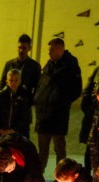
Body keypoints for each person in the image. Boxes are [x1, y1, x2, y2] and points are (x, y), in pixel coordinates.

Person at [33, 38, 82, 171]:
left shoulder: (70, 65)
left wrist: (61, 102)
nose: (49, 52)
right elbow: (42, 85)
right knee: (43, 150)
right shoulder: (50, 64)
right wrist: (38, 99)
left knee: (59, 148)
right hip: (44, 114)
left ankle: (62, 177)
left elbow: (76, 89)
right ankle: (38, 178)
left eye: (51, 49)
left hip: (57, 114)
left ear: (60, 49)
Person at [0, 33, 42, 99]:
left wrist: (30, 101)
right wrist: (1, 98)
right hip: (8, 102)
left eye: (24, 48)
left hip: (24, 103)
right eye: (19, 47)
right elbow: (2, 83)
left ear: (29, 48)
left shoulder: (35, 66)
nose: (21, 50)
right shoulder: (8, 64)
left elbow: (37, 87)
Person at [0, 69, 32, 140]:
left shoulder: (25, 96)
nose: (13, 83)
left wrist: (13, 130)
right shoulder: (0, 97)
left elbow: (26, 117)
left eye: (16, 80)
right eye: (11, 80)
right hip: (2, 133)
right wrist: (0, 129)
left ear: (20, 81)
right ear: (7, 81)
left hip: (20, 133)